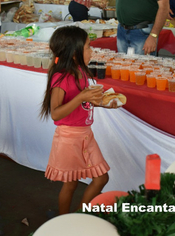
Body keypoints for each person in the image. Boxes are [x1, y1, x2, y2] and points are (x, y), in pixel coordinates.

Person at [40, 26, 119, 215]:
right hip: (68, 138)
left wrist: (102, 102)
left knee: (101, 179)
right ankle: (64, 220)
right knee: (71, 184)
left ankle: (79, 214)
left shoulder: (81, 72)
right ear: (74, 53)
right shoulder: (61, 78)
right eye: (88, 47)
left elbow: (83, 103)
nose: (92, 51)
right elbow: (56, 114)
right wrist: (81, 97)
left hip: (85, 135)